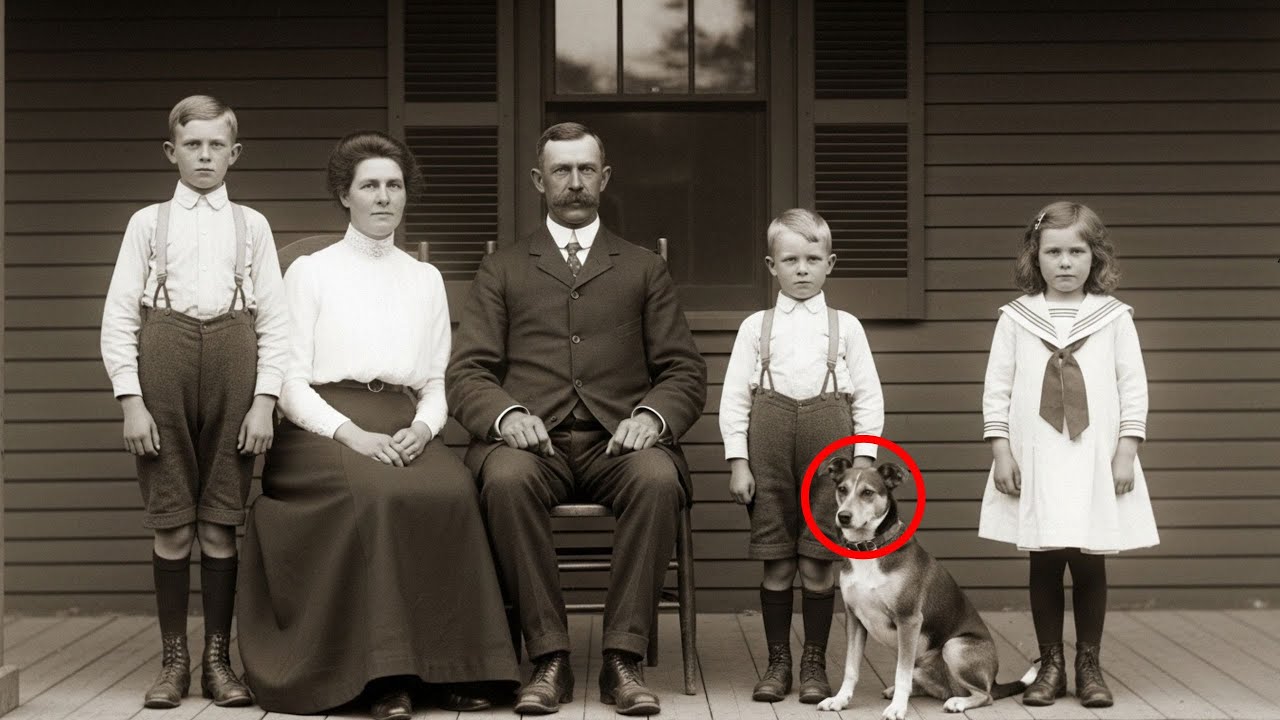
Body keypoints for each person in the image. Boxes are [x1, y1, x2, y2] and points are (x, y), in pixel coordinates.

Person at [235, 130, 519, 720]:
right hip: (321, 428)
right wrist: (350, 434)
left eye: (394, 185)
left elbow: (439, 377)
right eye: (370, 185)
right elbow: (288, 381)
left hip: (402, 419)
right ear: (345, 195)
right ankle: (382, 676)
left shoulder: (425, 279)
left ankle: (451, 672)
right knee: (378, 493)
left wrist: (425, 426)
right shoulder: (311, 272)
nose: (384, 197)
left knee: (453, 490)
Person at [447, 122, 707, 716]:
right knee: (505, 480)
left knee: (659, 479)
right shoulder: (505, 268)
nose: (574, 182)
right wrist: (506, 414)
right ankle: (549, 659)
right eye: (561, 171)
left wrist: (651, 416)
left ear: (604, 178)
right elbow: (467, 373)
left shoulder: (642, 268)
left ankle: (623, 659)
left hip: (618, 443)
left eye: (585, 170)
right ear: (540, 181)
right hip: (533, 445)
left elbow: (685, 372)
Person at [100, 95, 287, 709]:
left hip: (236, 365)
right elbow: (120, 315)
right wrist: (131, 399)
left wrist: (264, 401)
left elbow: (276, 323)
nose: (204, 156)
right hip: (164, 366)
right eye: (192, 145)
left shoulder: (251, 225)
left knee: (220, 521)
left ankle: (217, 660)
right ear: (171, 151)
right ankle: (173, 660)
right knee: (174, 520)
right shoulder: (148, 223)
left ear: (234, 153)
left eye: (216, 146)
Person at [979, 201, 1159, 708]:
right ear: (1034, 256)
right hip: (1035, 454)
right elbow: (998, 387)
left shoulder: (1114, 317)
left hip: (1093, 456)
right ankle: (1050, 665)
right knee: (1044, 559)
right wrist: (1001, 451)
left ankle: (1089, 665)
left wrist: (1126, 450)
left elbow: (1133, 386)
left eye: (1076, 251)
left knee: (1087, 560)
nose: (1064, 262)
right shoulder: (1016, 318)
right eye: (1053, 251)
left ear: (1094, 257)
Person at [718, 208, 884, 704]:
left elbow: (870, 398)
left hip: (830, 459)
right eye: (790, 260)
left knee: (817, 564)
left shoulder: (846, 327)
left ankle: (813, 661)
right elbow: (734, 400)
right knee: (776, 562)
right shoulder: (756, 327)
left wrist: (862, 460)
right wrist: (737, 461)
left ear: (830, 263)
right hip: (766, 454)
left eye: (813, 258)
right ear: (772, 267)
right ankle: (778, 663)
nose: (803, 269)